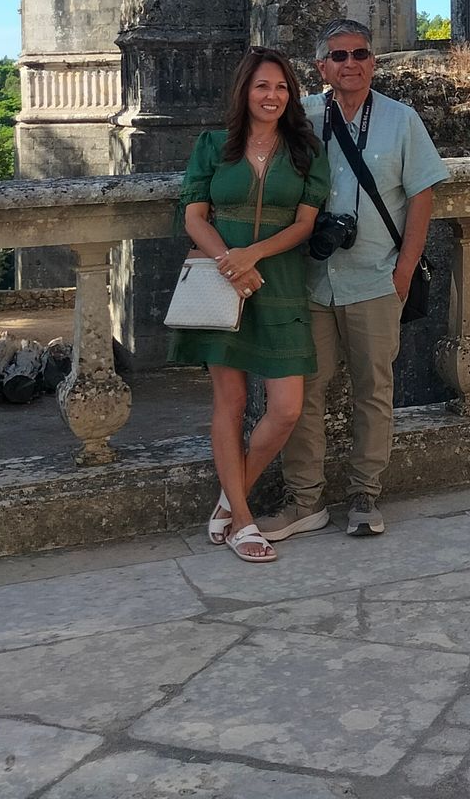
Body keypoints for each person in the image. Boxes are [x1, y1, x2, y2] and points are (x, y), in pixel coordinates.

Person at [261, 18, 449, 541]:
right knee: (304, 390)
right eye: (338, 56)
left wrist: (406, 268)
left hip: (374, 276)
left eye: (361, 54)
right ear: (321, 66)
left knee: (374, 389)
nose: (351, 64)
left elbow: (422, 195)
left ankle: (365, 494)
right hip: (311, 278)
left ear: (373, 61)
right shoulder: (303, 119)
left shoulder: (400, 119)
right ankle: (304, 499)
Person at [176, 46, 329, 562]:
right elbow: (194, 216)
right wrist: (229, 263)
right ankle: (243, 520)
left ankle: (228, 497)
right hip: (223, 285)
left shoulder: (306, 151)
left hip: (280, 281)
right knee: (231, 403)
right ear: (245, 90)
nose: (273, 96)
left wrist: (252, 256)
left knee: (285, 408)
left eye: (282, 87)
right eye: (263, 86)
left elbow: (305, 224)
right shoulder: (212, 146)